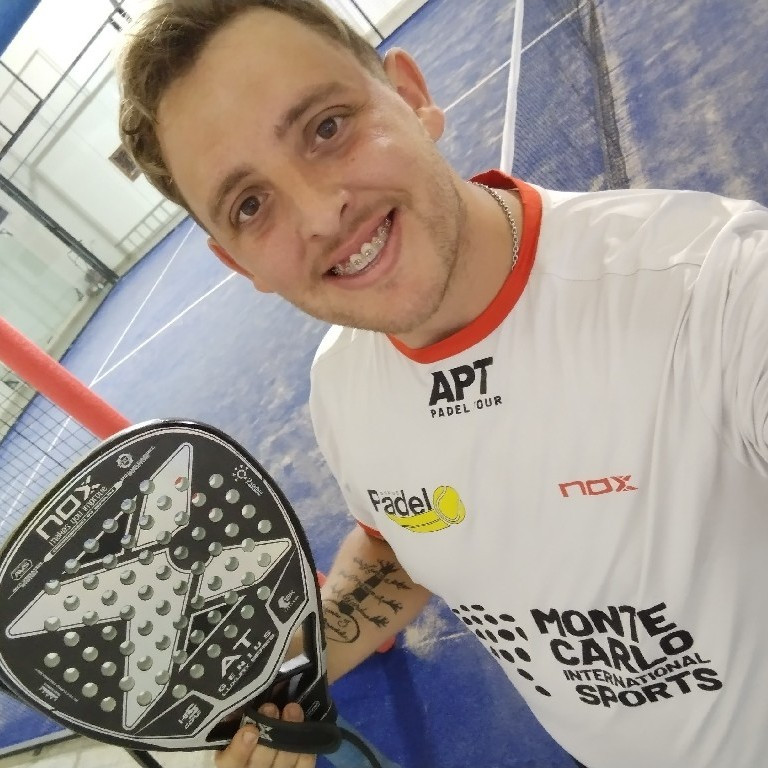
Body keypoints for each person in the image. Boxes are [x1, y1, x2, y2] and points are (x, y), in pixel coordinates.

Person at [116, 1, 768, 766]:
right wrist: (288, 672)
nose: (322, 214)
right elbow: (402, 543)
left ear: (412, 95)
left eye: (327, 127)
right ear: (239, 263)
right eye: (250, 205)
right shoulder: (340, 387)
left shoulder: (714, 289)